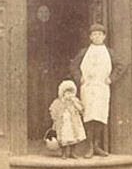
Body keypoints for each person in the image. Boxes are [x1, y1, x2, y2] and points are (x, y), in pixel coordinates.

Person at [70, 24, 126, 158]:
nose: (97, 37)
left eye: (100, 34)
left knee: (100, 116)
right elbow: (73, 66)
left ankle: (97, 145)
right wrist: (79, 78)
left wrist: (111, 79)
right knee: (89, 115)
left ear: (104, 37)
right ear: (90, 37)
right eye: (94, 35)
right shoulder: (84, 52)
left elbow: (121, 65)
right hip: (88, 88)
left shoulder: (110, 52)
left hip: (102, 87)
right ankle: (89, 146)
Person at [48, 80, 86, 159]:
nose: (70, 95)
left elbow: (81, 109)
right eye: (68, 93)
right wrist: (55, 119)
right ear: (63, 94)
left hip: (73, 123)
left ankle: (73, 152)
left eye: (71, 93)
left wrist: (75, 103)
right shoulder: (58, 102)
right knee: (64, 137)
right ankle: (64, 152)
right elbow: (53, 110)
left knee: (74, 137)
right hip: (63, 124)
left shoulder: (74, 101)